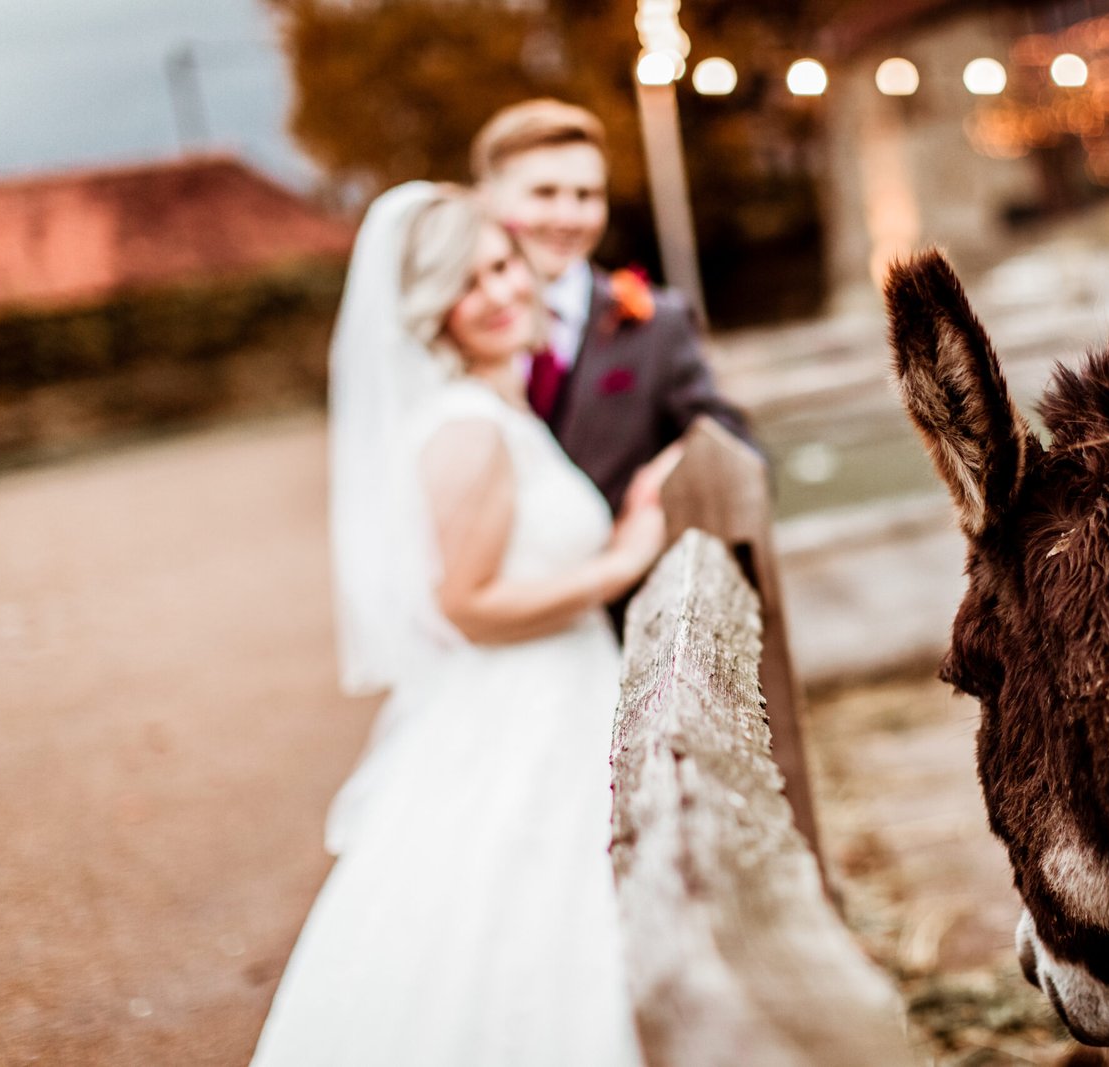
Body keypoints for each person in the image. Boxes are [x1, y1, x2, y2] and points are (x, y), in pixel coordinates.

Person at [250, 182, 669, 1065]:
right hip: (524, 709)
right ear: (432, 311)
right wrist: (623, 560)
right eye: (470, 282)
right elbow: (466, 606)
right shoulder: (468, 430)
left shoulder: (494, 406)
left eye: (503, 265)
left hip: (559, 692)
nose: (505, 291)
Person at [471, 98, 755, 515]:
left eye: (587, 195)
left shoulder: (661, 323)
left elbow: (736, 446)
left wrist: (671, 469)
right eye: (544, 193)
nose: (568, 217)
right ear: (487, 199)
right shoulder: (458, 325)